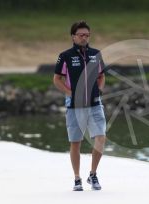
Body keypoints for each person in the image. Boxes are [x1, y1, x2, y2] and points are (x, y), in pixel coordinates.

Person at [53, 20, 106, 191]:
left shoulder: (96, 54)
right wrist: (70, 93)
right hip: (74, 106)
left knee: (100, 137)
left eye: (87, 35)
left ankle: (93, 174)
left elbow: (101, 76)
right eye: (81, 35)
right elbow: (57, 79)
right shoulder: (65, 56)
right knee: (76, 142)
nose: (84, 38)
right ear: (73, 37)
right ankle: (77, 178)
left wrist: (98, 90)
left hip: (95, 103)